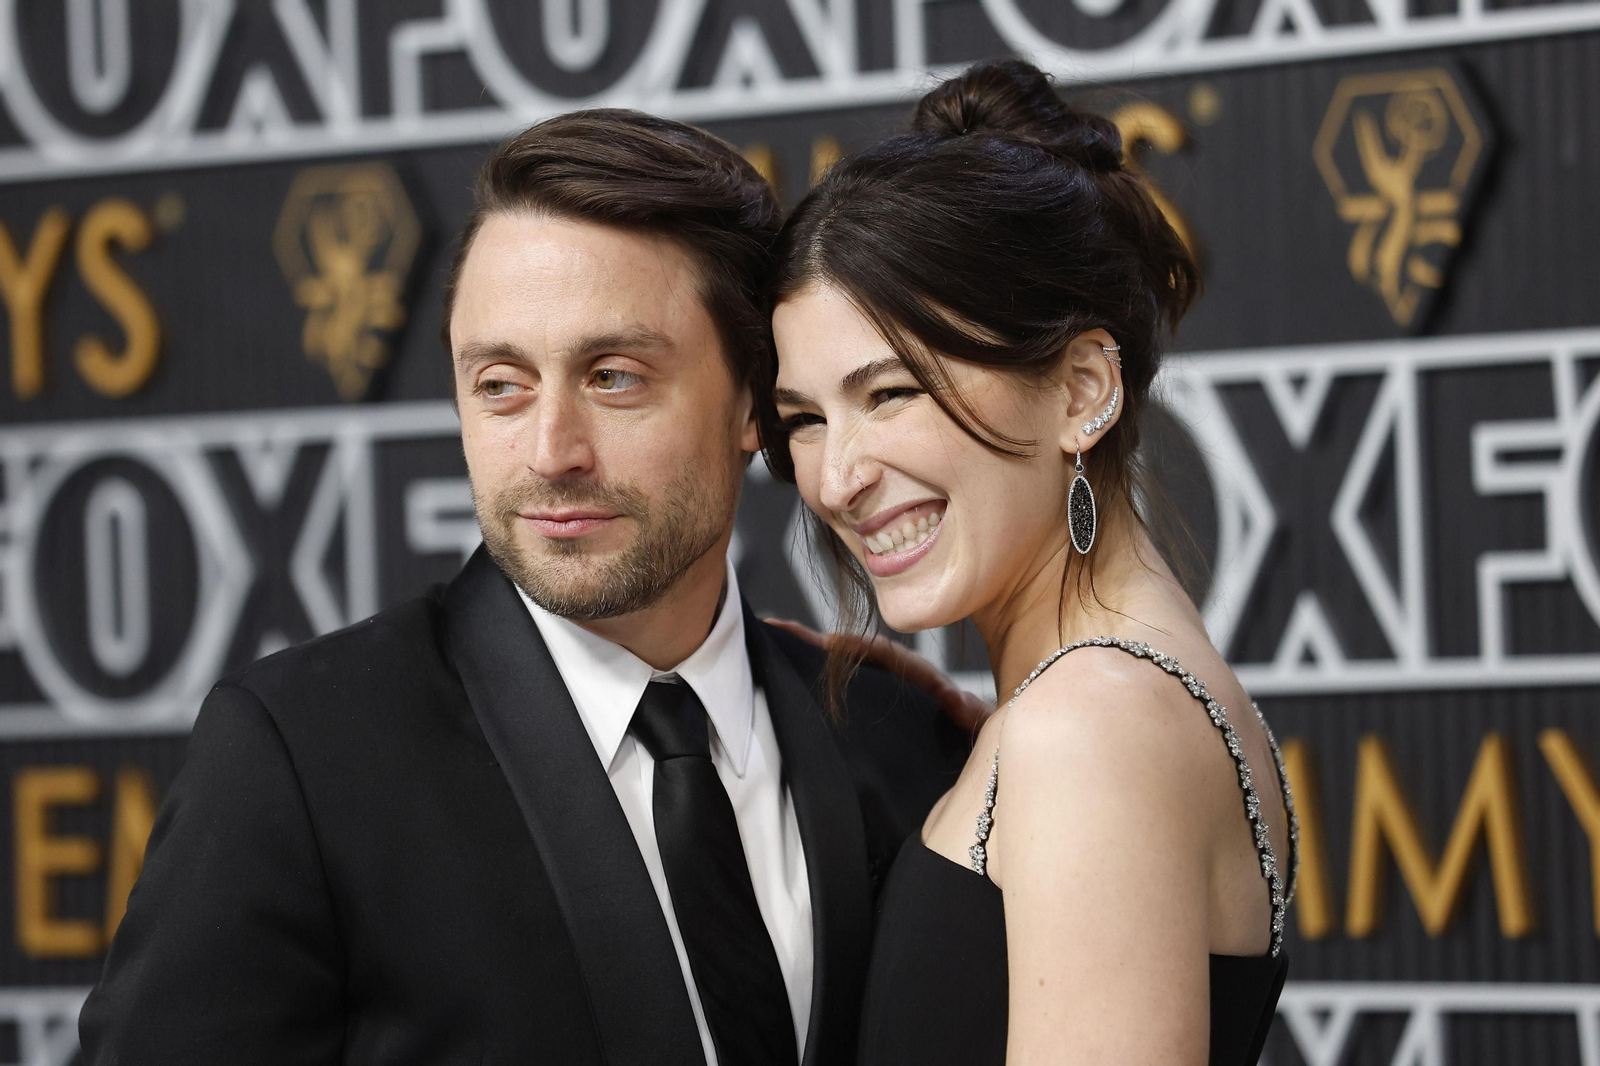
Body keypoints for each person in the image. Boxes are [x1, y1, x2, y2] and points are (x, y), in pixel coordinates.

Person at [78, 110, 967, 1066]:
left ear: (755, 400)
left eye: (614, 377)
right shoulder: (299, 758)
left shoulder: (894, 737)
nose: (551, 454)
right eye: (500, 384)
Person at [764, 60, 1299, 1065]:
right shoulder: (1116, 697)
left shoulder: (1086, 728)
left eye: (890, 393)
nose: (834, 478)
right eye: (802, 418)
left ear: (1081, 388)